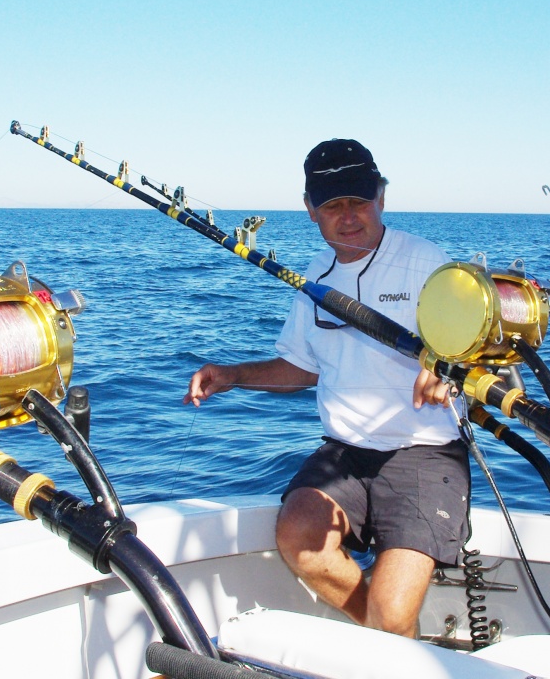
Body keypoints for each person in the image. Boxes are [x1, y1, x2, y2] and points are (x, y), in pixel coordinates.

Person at [183, 138, 462, 638]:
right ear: (311, 209)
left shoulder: (428, 262)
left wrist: (449, 364)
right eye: (333, 204)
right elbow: (302, 367)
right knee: (300, 538)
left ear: (382, 196)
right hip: (344, 454)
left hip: (424, 454)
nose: (348, 216)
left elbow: (482, 338)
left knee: (392, 612)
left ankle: (392, 633)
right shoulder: (315, 274)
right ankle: (394, 641)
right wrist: (232, 374)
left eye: (359, 200)